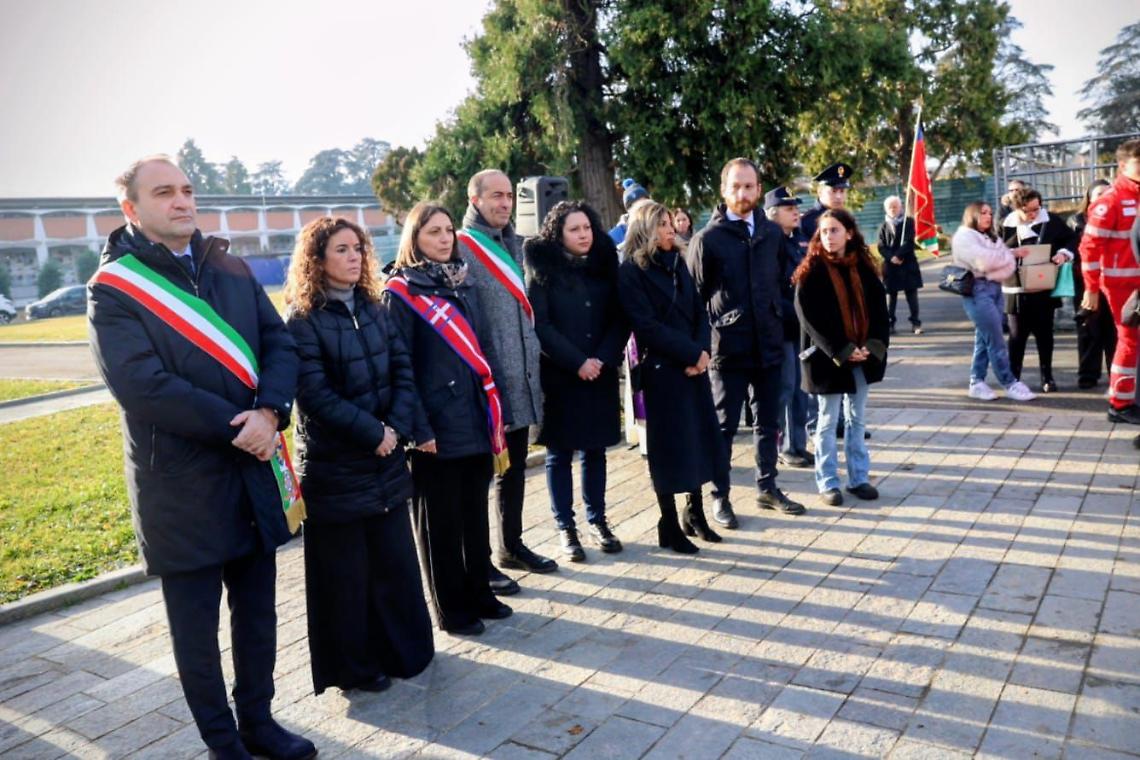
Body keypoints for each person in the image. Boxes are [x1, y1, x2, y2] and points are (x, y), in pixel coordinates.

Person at [88, 156, 314, 760]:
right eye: (164, 193)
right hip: (179, 486)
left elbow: (278, 342)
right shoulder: (114, 290)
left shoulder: (230, 266)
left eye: (187, 190)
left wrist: (270, 413)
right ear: (131, 209)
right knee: (195, 630)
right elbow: (142, 385)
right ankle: (223, 742)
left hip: (252, 469)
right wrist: (241, 428)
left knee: (257, 613)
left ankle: (260, 723)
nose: (183, 201)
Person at [284, 217, 433, 696]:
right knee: (346, 577)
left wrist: (395, 427)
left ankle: (405, 652)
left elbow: (403, 369)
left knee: (393, 563)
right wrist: (373, 433)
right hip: (337, 468)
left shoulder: (375, 306)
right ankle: (354, 666)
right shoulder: (303, 319)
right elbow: (314, 395)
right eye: (342, 250)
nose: (355, 257)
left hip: (385, 459)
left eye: (359, 249)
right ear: (317, 260)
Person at [383, 201, 514, 637]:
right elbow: (399, 369)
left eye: (448, 230)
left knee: (474, 513)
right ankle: (451, 609)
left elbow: (484, 351)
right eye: (433, 232)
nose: (444, 239)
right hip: (435, 427)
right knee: (441, 522)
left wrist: (499, 411)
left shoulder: (463, 280)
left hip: (475, 417)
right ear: (414, 240)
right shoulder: (401, 292)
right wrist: (419, 429)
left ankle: (480, 590)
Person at [687, 157, 805, 530]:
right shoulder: (708, 240)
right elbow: (694, 300)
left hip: (768, 345)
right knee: (723, 427)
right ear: (724, 191)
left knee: (768, 423)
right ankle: (719, 496)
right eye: (736, 186)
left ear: (758, 188)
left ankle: (767, 486)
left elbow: (785, 281)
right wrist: (700, 349)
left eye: (749, 186)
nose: (743, 193)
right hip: (727, 351)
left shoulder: (770, 233)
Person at [457, 169, 556, 594]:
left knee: (513, 472)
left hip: (520, 380)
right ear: (474, 199)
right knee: (480, 480)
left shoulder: (516, 245)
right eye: (495, 196)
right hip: (485, 384)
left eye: (509, 197)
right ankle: (477, 563)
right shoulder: (461, 247)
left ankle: (511, 546)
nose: (504, 203)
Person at [618, 201, 728, 552]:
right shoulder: (631, 272)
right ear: (645, 230)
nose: (671, 229)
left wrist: (703, 351)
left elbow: (699, 310)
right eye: (662, 224)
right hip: (661, 370)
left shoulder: (679, 262)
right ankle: (668, 522)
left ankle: (694, 512)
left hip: (692, 367)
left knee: (697, 439)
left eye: (670, 223)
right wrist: (689, 353)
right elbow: (645, 325)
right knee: (667, 449)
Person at [524, 201, 628, 561]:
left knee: (596, 450)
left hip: (600, 370)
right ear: (558, 234)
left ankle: (597, 519)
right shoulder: (542, 270)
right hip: (562, 375)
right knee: (559, 453)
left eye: (587, 227)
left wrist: (602, 357)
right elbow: (541, 325)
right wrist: (578, 362)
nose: (583, 235)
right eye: (574, 229)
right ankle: (566, 527)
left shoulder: (604, 264)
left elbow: (619, 317)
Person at [793, 209, 889, 506]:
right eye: (824, 232)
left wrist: (870, 347)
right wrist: (843, 350)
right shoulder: (812, 270)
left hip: (862, 357)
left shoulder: (863, 267)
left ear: (849, 233)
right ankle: (828, 482)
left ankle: (858, 478)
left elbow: (879, 313)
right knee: (826, 421)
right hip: (828, 360)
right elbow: (810, 318)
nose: (829, 237)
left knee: (856, 419)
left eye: (835, 230)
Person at [951, 201, 1037, 403]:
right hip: (976, 290)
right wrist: (1004, 256)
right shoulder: (964, 236)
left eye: (990, 212)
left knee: (984, 338)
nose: (988, 216)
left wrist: (1003, 257)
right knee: (996, 339)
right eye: (983, 213)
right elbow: (985, 261)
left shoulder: (990, 236)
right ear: (972, 215)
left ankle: (976, 381)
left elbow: (1005, 265)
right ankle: (1009, 383)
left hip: (995, 288)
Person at [1080, 138, 1140, 424]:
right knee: (1129, 342)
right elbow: (1089, 248)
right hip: (1122, 287)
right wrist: (1091, 289)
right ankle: (1120, 403)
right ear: (1122, 165)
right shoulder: (1110, 201)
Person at [1001, 188, 1077, 393]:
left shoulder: (1051, 220)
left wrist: (1063, 254)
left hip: (1043, 286)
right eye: (1028, 211)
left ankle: (1047, 376)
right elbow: (993, 249)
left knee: (1045, 335)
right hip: (1015, 288)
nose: (1034, 214)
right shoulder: (1006, 224)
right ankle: (1013, 378)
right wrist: (1011, 252)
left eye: (1037, 208)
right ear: (1017, 208)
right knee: (1017, 337)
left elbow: (1071, 239)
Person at [764, 186, 814, 469]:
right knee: (785, 387)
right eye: (788, 208)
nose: (795, 211)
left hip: (801, 328)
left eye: (795, 207)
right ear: (772, 214)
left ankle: (798, 443)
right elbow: (771, 290)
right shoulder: (769, 244)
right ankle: (783, 446)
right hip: (782, 326)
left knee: (801, 389)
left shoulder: (799, 240)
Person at [1070, 179, 1115, 389]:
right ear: (1089, 198)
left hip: (1114, 282)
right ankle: (1088, 374)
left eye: (1108, 193)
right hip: (1086, 284)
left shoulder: (1120, 218)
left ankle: (1116, 374)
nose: (1104, 198)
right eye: (1099, 194)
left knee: (1114, 331)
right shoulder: (1076, 222)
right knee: (1089, 329)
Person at [878, 195, 923, 336]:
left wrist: (899, 255)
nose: (893, 209)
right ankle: (890, 324)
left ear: (901, 207)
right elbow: (881, 246)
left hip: (908, 264)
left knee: (912, 296)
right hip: (891, 267)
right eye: (890, 207)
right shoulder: (884, 226)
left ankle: (915, 323)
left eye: (895, 206)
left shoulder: (909, 223)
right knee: (890, 297)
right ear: (886, 209)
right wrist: (891, 257)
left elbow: (910, 242)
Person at [800, 161, 853, 240]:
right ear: (820, 192)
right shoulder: (807, 222)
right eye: (833, 191)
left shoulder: (846, 219)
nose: (838, 196)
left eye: (842, 191)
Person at [609, 178, 651, 245]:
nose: (643, 209)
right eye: (638, 206)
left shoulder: (659, 227)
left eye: (646, 204)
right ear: (629, 210)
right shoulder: (616, 235)